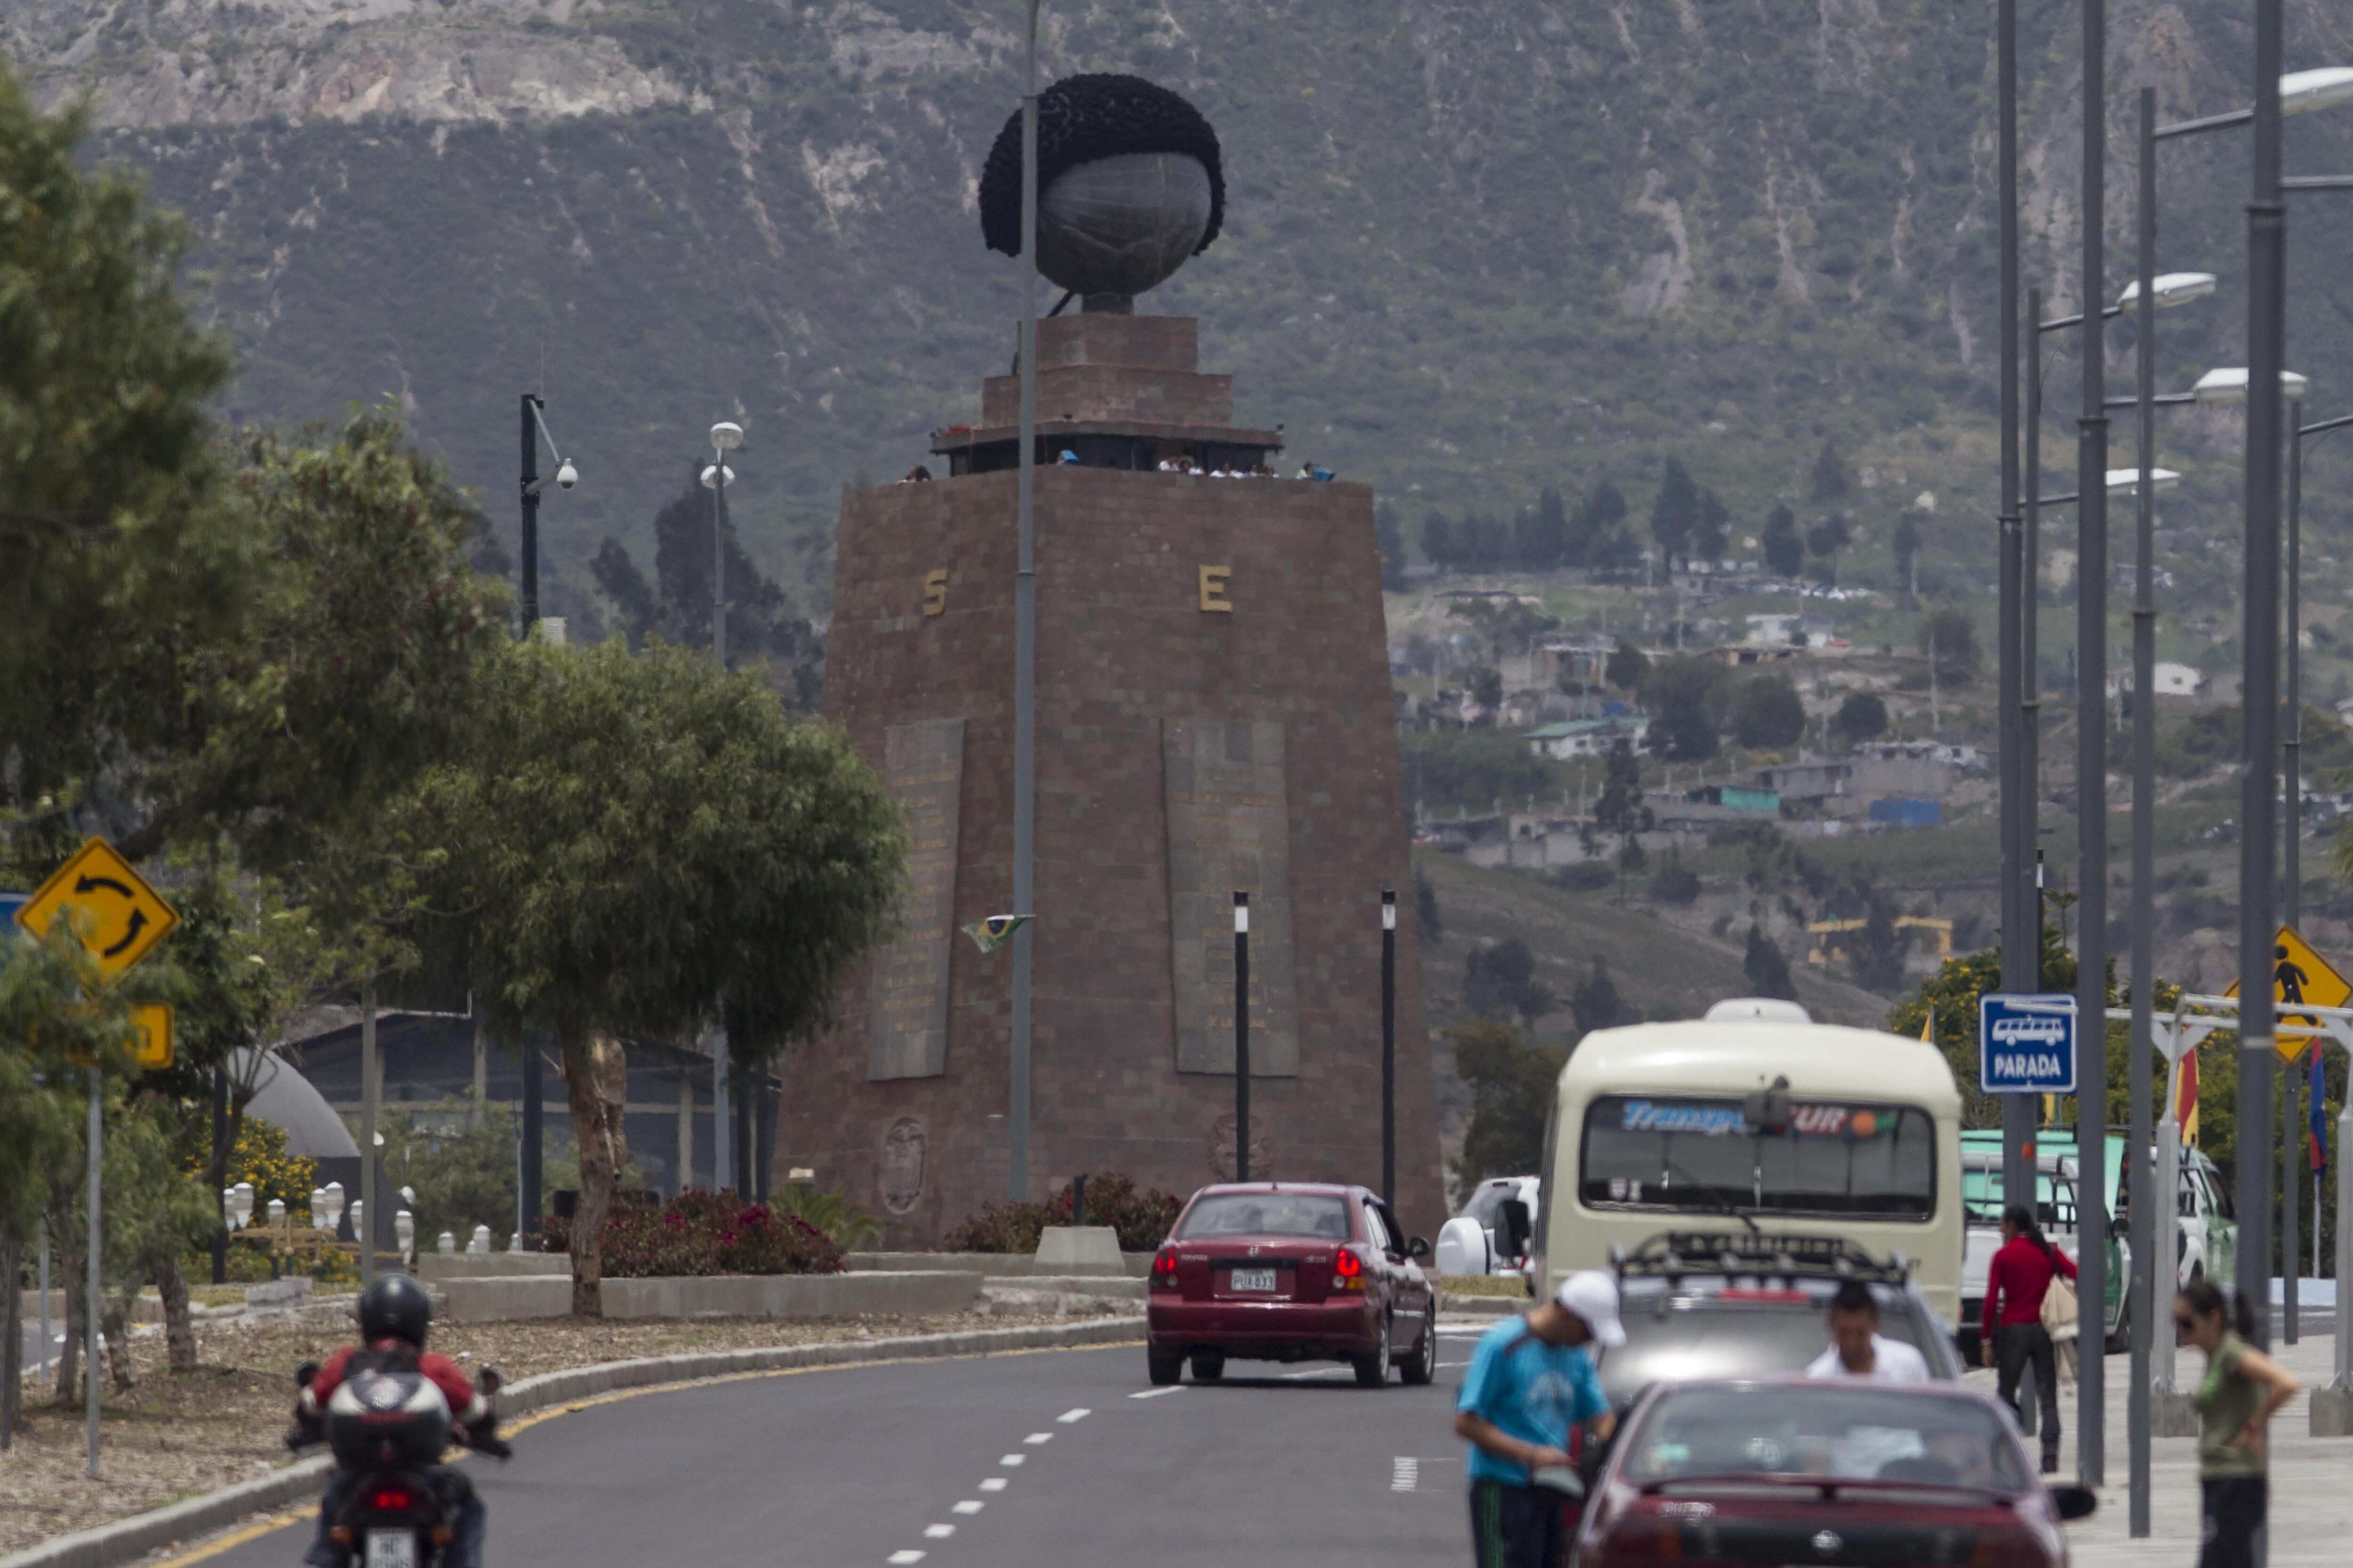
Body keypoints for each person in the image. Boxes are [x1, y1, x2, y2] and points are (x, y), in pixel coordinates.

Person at [298, 1274, 499, 1568]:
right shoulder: (432, 1366)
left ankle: (329, 1555)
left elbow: (311, 1405)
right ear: (419, 1321)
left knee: (335, 1497)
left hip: (359, 1476)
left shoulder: (346, 1362)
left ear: (367, 1319)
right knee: (469, 1508)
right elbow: (476, 1412)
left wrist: (307, 1429)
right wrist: (484, 1433)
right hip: (422, 1476)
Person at [1453, 1270, 1621, 1568]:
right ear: (1567, 1314)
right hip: (1502, 1488)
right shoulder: (1503, 1345)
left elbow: (1601, 1418)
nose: (1589, 1340)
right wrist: (1532, 1455)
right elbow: (1466, 1422)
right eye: (1588, 1331)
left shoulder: (1577, 1357)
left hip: (1552, 1491)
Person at [2177, 1279, 2298, 1568]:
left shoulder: (2232, 1352)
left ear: (2214, 1318)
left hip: (2237, 1480)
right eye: (2176, 1322)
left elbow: (2287, 1383)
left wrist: (2253, 1427)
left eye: (2186, 1322)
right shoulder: (2216, 1356)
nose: (2180, 1331)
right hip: (2220, 1478)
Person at [1981, 1201, 2075, 1472]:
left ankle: (2007, 1454)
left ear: (2011, 1226)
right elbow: (2076, 1273)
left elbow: (1990, 1302)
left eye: (2002, 1225)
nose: (2001, 1230)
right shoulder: (2050, 1252)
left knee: (2006, 1394)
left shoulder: (2003, 1256)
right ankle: (2050, 1456)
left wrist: (1987, 1339)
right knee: (2048, 1394)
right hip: (2045, 1329)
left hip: (2013, 1330)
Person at [1807, 1279, 1932, 1382]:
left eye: (1861, 1333)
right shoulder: (1818, 1380)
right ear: (1830, 1325)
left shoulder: (1908, 1364)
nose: (1852, 1342)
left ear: (1876, 1324)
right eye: (1844, 1333)